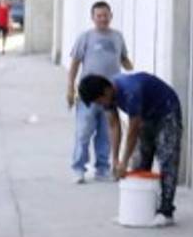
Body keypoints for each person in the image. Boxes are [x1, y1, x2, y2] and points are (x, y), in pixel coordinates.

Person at [78, 71, 183, 227]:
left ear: (106, 91)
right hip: (147, 115)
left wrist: (124, 161)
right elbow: (114, 126)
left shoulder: (131, 91)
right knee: (140, 163)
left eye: (100, 101)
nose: (101, 105)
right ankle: (141, 210)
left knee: (167, 159)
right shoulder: (108, 97)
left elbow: (133, 131)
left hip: (167, 112)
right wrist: (115, 159)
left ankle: (166, 212)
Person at [66, 1, 132, 184]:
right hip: (89, 95)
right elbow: (74, 64)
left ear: (111, 15)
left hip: (110, 95)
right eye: (99, 16)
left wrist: (131, 68)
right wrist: (70, 88)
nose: (102, 19)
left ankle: (102, 168)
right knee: (83, 132)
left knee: (106, 133)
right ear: (93, 18)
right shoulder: (85, 37)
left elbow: (124, 58)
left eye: (105, 15)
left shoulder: (118, 37)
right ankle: (79, 168)